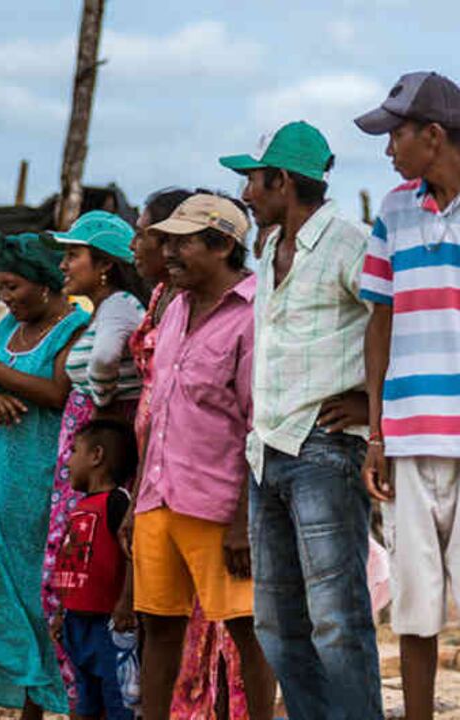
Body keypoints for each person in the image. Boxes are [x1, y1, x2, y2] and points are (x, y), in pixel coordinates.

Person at [221, 120, 382, 719]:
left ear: (282, 181)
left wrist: (370, 404)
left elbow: (398, 325)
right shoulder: (267, 249)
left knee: (337, 619)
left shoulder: (349, 242)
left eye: (252, 181)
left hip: (324, 448)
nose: (245, 194)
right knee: (278, 624)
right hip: (270, 449)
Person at [120, 194, 275, 720]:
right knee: (159, 626)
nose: (170, 253)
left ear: (223, 244)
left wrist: (241, 521)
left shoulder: (253, 316)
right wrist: (136, 500)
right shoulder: (175, 308)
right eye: (167, 241)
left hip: (216, 501)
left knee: (246, 628)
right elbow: (155, 414)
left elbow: (258, 424)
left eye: (183, 242)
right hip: (159, 495)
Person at [0, 233, 89, 719]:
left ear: (45, 283)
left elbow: (56, 391)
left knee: (34, 595)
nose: (5, 298)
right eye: (0, 288)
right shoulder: (6, 327)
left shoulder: (74, 326)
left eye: (13, 287)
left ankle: (33, 708)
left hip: (40, 482)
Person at [358, 71, 460, 720]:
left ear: (433, 135)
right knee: (416, 609)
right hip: (409, 435)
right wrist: (375, 431)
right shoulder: (394, 209)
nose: (388, 148)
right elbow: (379, 322)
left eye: (395, 134)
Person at [43, 210, 147, 699]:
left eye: (72, 255)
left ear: (104, 263)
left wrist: (101, 401)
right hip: (89, 450)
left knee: (89, 559)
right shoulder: (106, 307)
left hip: (99, 447)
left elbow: (106, 359)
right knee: (72, 562)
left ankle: (99, 692)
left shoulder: (121, 306)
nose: (64, 265)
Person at [50, 419, 140, 720]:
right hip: (77, 623)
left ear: (96, 456)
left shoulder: (117, 503)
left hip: (108, 625)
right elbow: (72, 561)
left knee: (118, 700)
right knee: (85, 699)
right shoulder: (80, 506)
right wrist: (62, 612)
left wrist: (126, 602)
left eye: (75, 451)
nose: (69, 459)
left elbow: (133, 554)